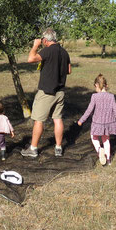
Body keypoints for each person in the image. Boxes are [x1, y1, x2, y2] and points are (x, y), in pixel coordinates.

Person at [21, 28, 71, 158]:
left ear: (45, 40)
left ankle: (33, 149)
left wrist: (35, 46)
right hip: (60, 92)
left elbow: (31, 59)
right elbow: (69, 70)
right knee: (57, 119)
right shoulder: (64, 52)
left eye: (42, 40)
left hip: (46, 92)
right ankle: (58, 147)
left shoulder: (47, 50)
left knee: (39, 120)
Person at [77, 74, 116, 166]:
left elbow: (89, 110)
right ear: (106, 86)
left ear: (97, 85)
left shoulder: (94, 96)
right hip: (108, 123)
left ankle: (99, 150)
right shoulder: (111, 96)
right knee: (106, 140)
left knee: (93, 137)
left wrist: (81, 120)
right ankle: (108, 159)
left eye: (95, 86)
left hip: (97, 123)